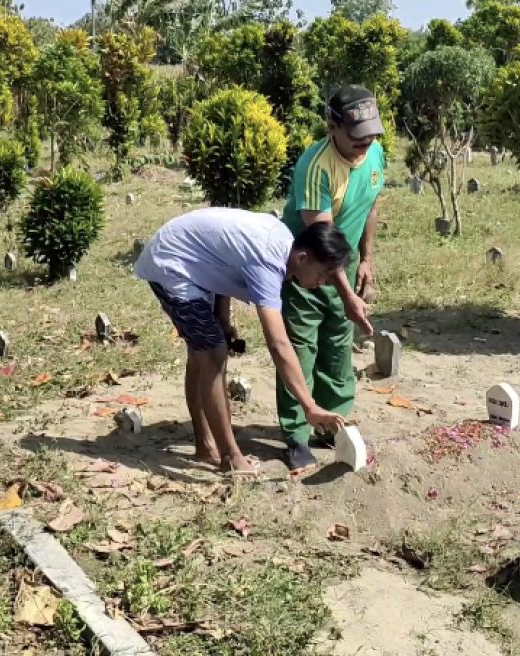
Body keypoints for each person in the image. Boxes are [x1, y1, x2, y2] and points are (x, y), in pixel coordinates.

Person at [134, 207, 349, 475]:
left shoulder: (283, 242)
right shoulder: (269, 262)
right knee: (212, 352)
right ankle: (229, 457)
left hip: (190, 260)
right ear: (303, 257)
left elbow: (225, 258)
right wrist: (309, 406)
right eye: (323, 274)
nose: (324, 282)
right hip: (172, 263)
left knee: (204, 351)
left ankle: (205, 447)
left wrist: (223, 319)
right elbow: (278, 344)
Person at [278, 84, 387, 473]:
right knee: (301, 349)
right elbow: (320, 243)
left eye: (372, 134)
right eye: (357, 136)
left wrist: (366, 259)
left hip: (342, 260)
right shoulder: (315, 166)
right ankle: (295, 434)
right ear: (332, 127)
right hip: (307, 268)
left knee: (339, 349)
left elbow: (372, 203)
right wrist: (347, 296)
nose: (366, 143)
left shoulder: (374, 152)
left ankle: (332, 423)